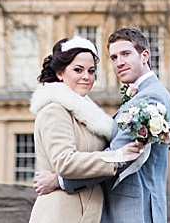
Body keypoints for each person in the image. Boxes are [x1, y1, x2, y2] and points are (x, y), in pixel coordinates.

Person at [34, 27, 170, 223]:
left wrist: (59, 181)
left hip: (135, 209)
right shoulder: (56, 110)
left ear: (145, 56)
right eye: (114, 57)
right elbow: (73, 159)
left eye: (126, 54)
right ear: (60, 73)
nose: (119, 62)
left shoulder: (149, 97)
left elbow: (122, 154)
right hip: (65, 212)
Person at [28, 36, 142, 223]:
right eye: (78, 70)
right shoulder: (55, 110)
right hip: (61, 213)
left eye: (91, 71)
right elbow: (65, 162)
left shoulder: (85, 113)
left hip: (86, 211)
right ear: (60, 73)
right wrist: (116, 156)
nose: (86, 77)